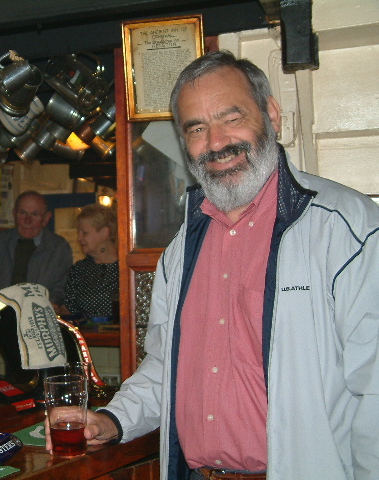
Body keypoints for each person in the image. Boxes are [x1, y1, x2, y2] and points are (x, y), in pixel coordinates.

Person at [46, 50, 379, 480]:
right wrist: (114, 420)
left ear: (272, 115)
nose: (217, 142)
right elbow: (166, 366)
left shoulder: (347, 229)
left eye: (231, 117)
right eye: (197, 128)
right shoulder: (181, 250)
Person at [0, 190, 73, 305]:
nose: (28, 220)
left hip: (38, 317)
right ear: (14, 214)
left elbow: (63, 287)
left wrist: (49, 304)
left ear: (45, 218)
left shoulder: (58, 248)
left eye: (35, 214)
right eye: (23, 213)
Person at [56, 203, 119, 319]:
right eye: (78, 233)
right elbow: (67, 309)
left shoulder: (126, 269)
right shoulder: (79, 269)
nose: (79, 238)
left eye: (84, 233)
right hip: (87, 336)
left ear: (105, 233)